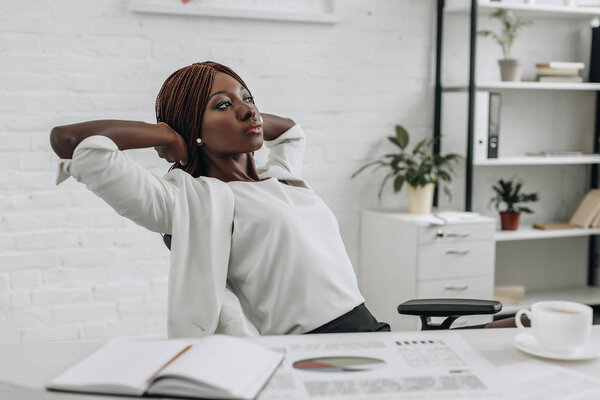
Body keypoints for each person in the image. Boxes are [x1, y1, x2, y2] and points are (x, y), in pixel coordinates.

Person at [50, 61, 391, 337]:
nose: (247, 111)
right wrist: (167, 134)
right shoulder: (190, 203)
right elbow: (71, 142)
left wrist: (234, 110)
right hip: (311, 349)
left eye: (249, 98)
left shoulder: (281, 177)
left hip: (370, 329)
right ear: (192, 126)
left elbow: (290, 131)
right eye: (223, 105)